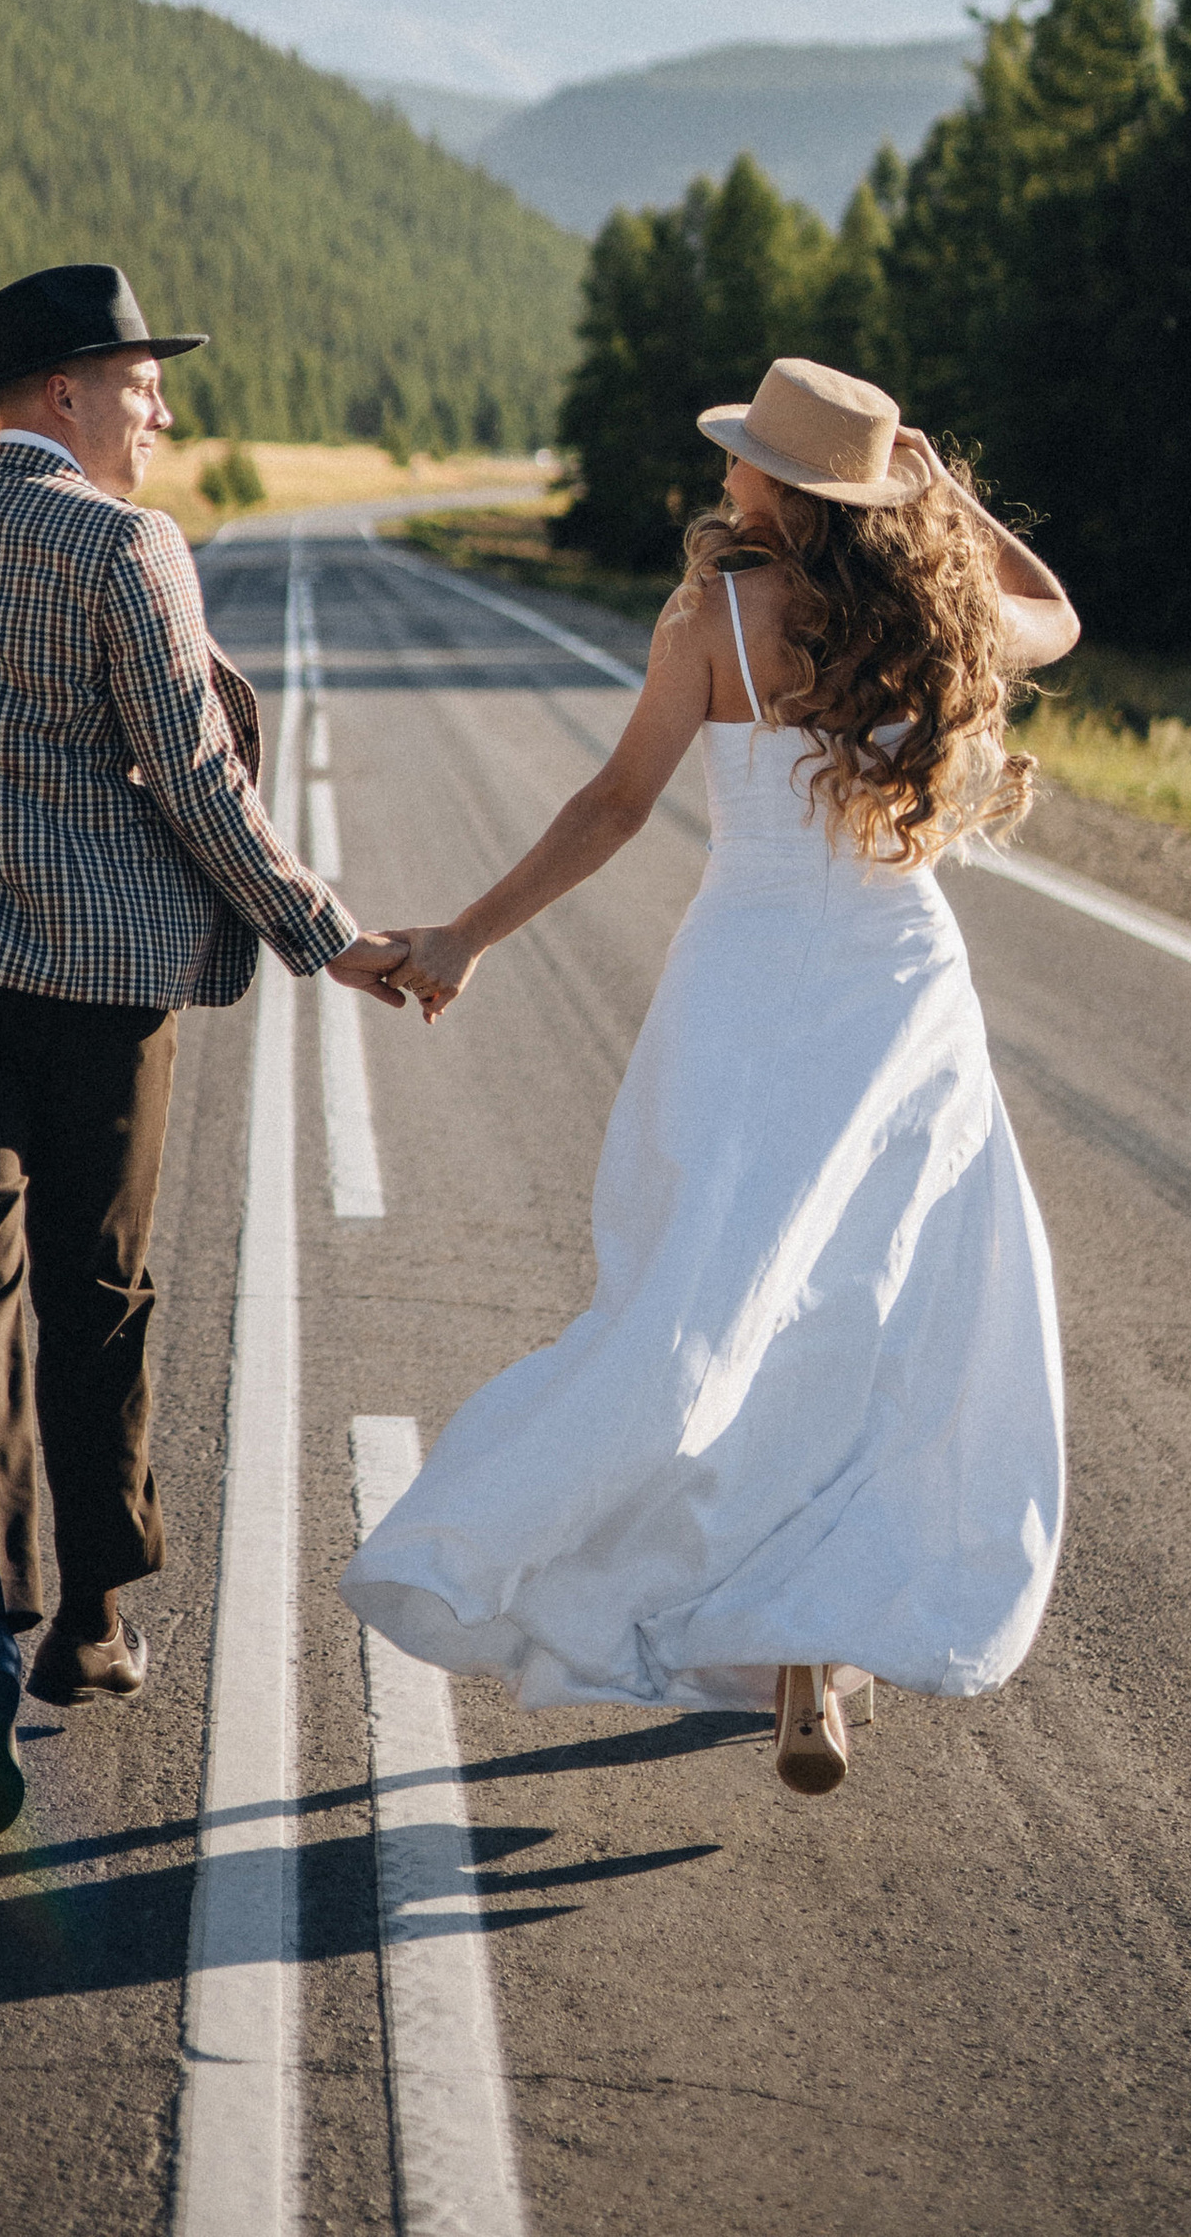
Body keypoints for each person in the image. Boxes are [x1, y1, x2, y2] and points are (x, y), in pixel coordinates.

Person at [343, 355, 1080, 1798]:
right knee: (877, 1314)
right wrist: (943, 498)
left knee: (711, 1304)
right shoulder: (943, 615)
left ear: (786, 488)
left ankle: (592, 1557)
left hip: (747, 984)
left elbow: (612, 803)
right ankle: (812, 1656)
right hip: (899, 988)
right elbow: (1059, 614)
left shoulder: (719, 617)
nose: (725, 475)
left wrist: (466, 938)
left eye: (746, 459)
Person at [0, 261, 408, 1842]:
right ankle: (97, 1619)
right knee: (98, 1285)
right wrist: (331, 934)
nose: (162, 406)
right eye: (141, 380)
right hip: (95, 985)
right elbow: (197, 786)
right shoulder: (128, 547)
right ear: (61, 391)